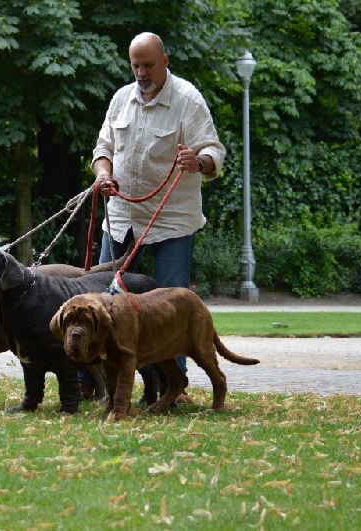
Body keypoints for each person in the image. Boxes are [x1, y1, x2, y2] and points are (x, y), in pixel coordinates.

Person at [87, 32, 226, 403]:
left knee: (171, 309)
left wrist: (200, 161)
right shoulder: (121, 99)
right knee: (103, 301)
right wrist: (103, 174)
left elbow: (213, 149)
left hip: (171, 222)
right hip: (119, 218)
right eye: (135, 65)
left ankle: (173, 387)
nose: (141, 72)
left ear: (165, 60)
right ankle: (102, 380)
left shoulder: (187, 100)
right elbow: (103, 149)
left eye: (148, 64)